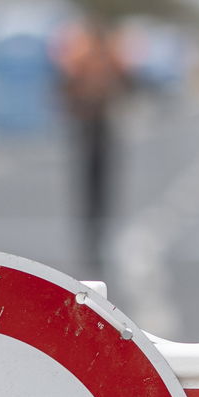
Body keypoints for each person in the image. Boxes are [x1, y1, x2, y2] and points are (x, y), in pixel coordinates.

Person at [51, 16, 130, 271]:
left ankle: (97, 237)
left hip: (100, 126)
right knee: (90, 188)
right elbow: (65, 87)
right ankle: (91, 240)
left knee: (100, 188)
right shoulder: (85, 58)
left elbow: (124, 84)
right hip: (89, 125)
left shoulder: (100, 58)